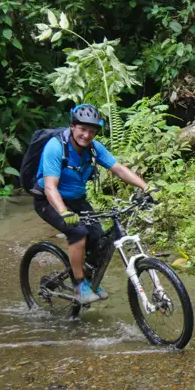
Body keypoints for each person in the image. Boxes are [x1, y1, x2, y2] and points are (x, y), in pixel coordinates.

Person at [33, 104, 152, 304]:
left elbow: (119, 169)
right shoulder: (55, 147)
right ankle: (80, 285)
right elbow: (50, 187)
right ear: (73, 127)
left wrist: (146, 187)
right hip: (49, 200)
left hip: (77, 200)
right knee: (78, 232)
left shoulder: (94, 148)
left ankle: (87, 275)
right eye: (82, 129)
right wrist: (63, 212)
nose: (87, 135)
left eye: (92, 131)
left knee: (99, 239)